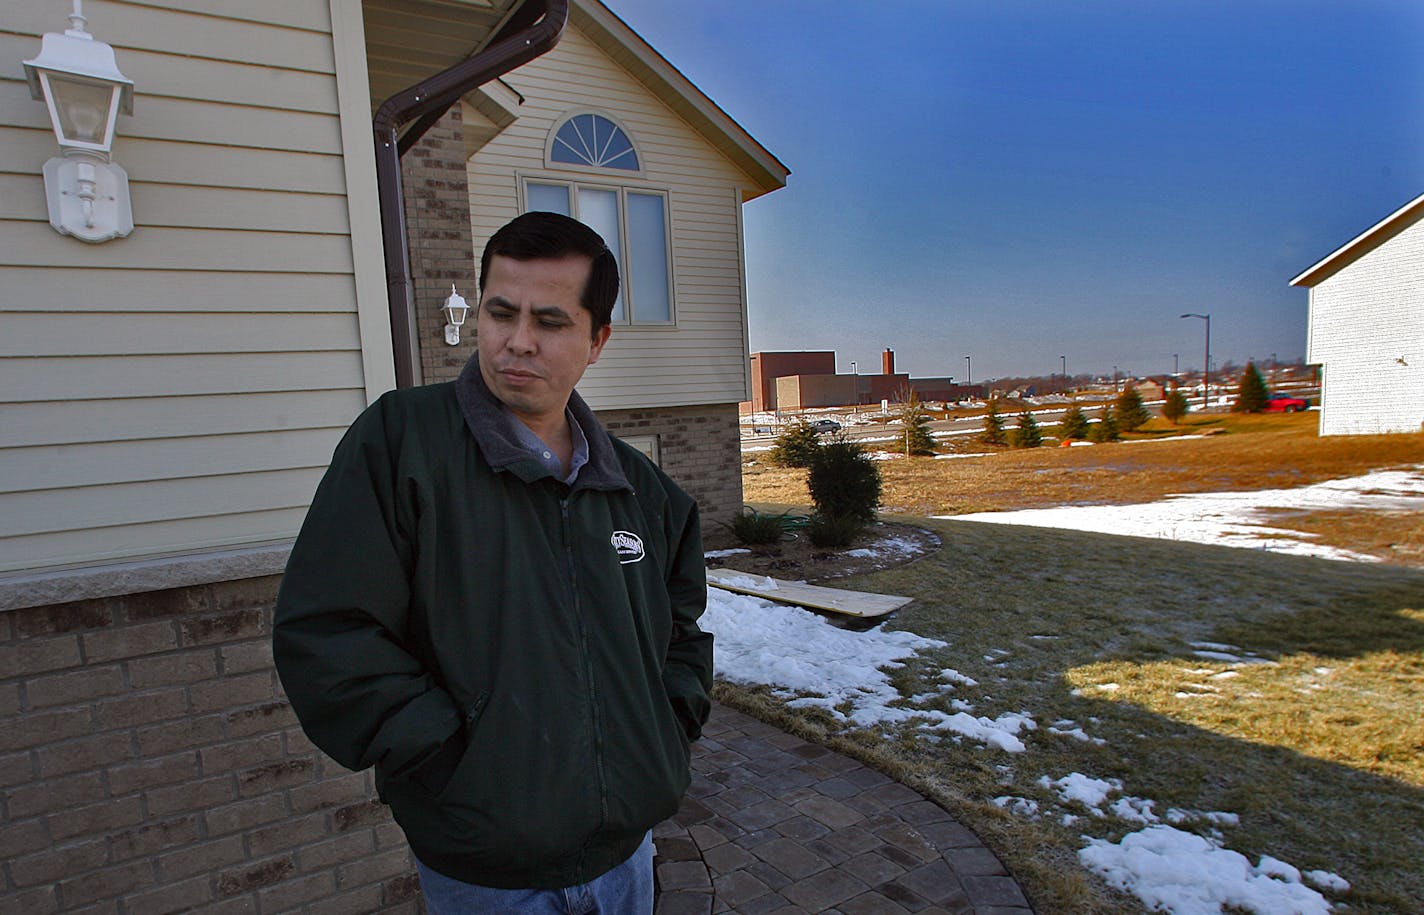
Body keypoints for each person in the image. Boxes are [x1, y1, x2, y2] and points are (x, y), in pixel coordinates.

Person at [273, 211, 713, 913]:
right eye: (500, 312)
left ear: (598, 339)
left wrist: (663, 729)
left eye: (551, 320)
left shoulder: (644, 491)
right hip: (485, 873)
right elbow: (329, 630)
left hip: (625, 854)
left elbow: (682, 630)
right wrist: (449, 761)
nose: (518, 341)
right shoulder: (401, 446)